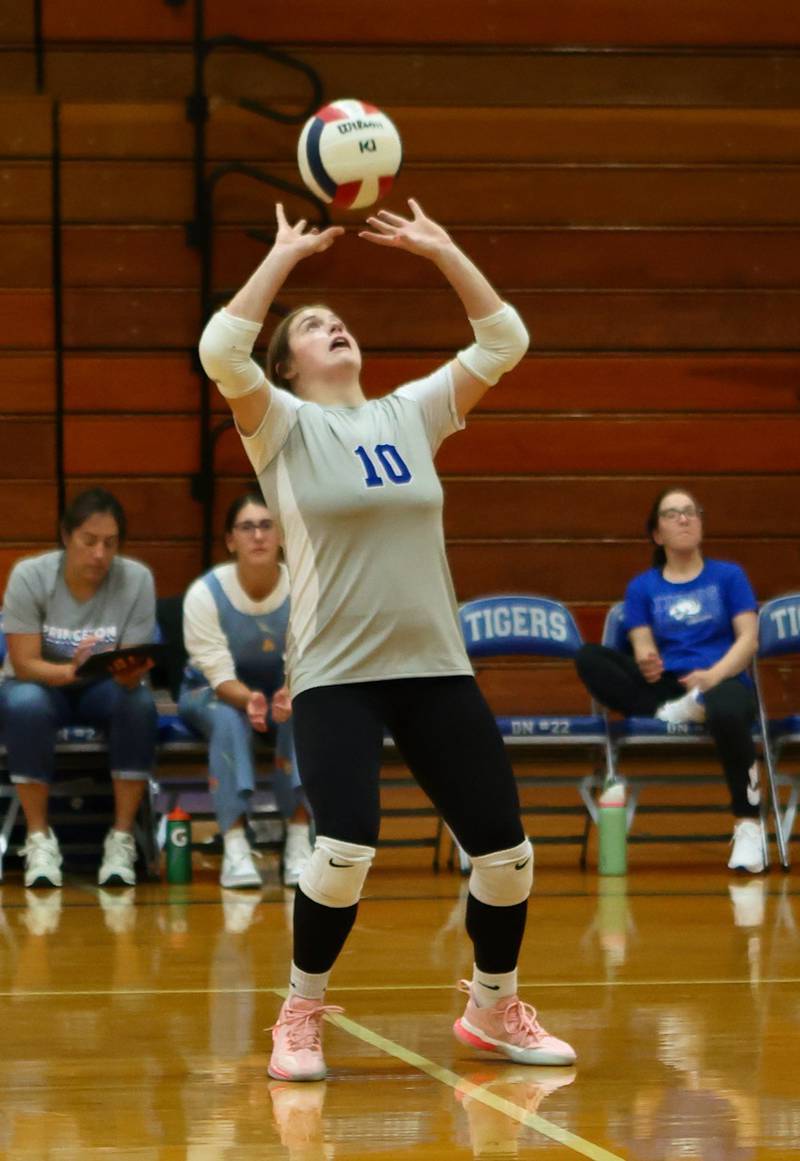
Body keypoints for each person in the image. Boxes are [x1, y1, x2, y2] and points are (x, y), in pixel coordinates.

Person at [198, 198, 576, 1082]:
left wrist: (445, 249)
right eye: (314, 328)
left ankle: (492, 1007)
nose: (335, 330)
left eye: (340, 322)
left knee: (507, 853)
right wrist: (284, 260)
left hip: (436, 664)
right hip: (335, 672)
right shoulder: (283, 426)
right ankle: (300, 1009)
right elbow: (221, 349)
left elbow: (505, 339)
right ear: (287, 363)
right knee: (344, 849)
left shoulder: (411, 413)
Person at [575, 487, 764, 873]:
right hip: (668, 689)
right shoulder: (642, 587)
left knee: (729, 712)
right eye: (672, 513)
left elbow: (749, 639)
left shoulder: (729, 577)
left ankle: (748, 825)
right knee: (589, 657)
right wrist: (646, 661)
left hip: (721, 678)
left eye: (691, 512)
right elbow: (642, 643)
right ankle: (681, 708)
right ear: (657, 535)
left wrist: (712, 676)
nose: (684, 518)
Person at [0, 488, 158, 888]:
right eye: (89, 541)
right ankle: (38, 838)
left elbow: (131, 666)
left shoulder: (137, 579)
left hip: (103, 687)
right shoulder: (29, 575)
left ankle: (121, 840)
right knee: (24, 706)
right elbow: (23, 662)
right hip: (40, 684)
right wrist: (72, 671)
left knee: (137, 702)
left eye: (110, 543)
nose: (100, 554)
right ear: (67, 536)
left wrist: (129, 671)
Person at [178, 492, 313, 890]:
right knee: (228, 718)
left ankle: (299, 838)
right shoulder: (205, 594)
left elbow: (305, 656)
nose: (258, 535)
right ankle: (235, 842)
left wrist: (289, 691)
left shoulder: (303, 588)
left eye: (267, 525)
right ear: (230, 540)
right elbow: (217, 672)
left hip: (284, 689)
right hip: (211, 691)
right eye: (247, 527)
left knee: (307, 710)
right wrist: (249, 700)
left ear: (282, 536)